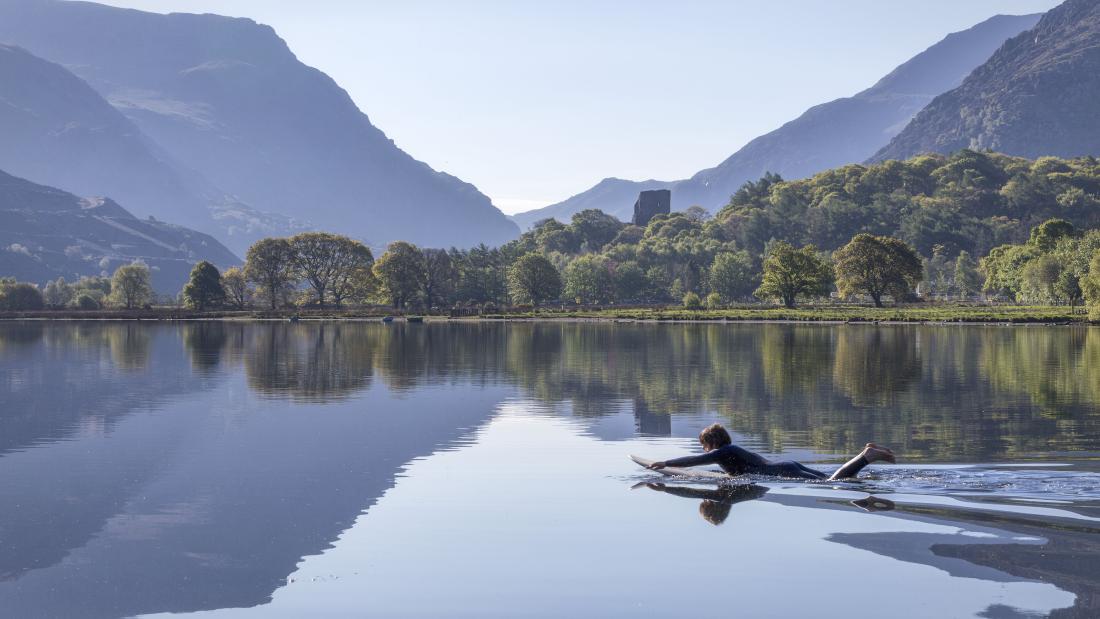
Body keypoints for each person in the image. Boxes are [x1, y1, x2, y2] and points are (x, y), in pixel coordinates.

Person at [647, 423, 895, 481]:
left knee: (832, 484)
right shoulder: (731, 449)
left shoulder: (722, 452)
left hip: (783, 471)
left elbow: (695, 460)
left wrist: (665, 462)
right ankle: (865, 454)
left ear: (711, 442)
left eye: (704, 443)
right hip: (785, 466)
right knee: (829, 480)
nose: (704, 448)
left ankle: (866, 456)